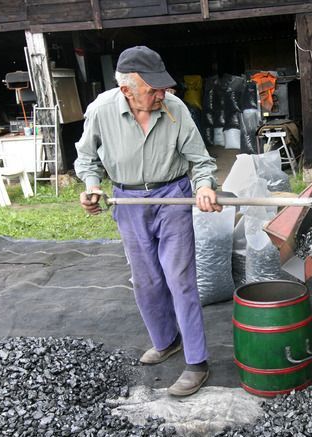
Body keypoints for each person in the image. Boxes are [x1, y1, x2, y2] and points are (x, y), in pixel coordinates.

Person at [74, 46, 221, 397]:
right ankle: (167, 340)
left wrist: (203, 187)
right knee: (146, 281)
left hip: (172, 197)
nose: (161, 95)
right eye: (152, 89)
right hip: (127, 200)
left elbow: (201, 161)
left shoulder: (176, 109)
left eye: (163, 87)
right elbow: (86, 158)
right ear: (127, 90)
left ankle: (197, 362)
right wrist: (92, 186)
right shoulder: (101, 110)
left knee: (180, 279)